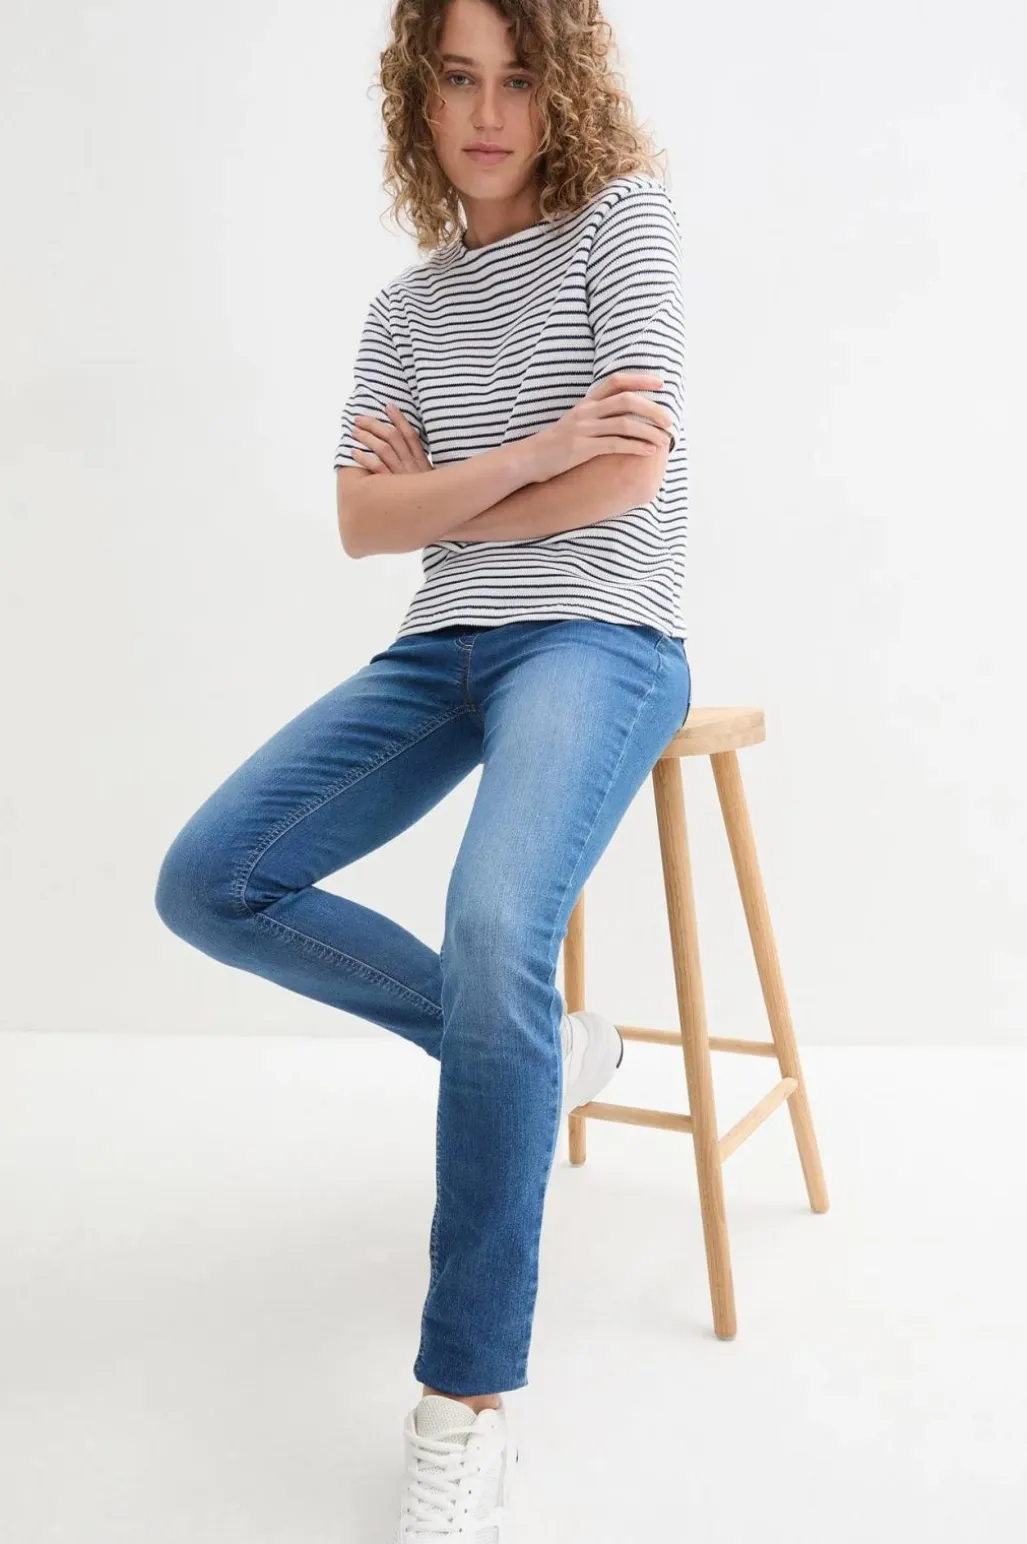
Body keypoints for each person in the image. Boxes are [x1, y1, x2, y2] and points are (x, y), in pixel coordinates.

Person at [154, 0, 691, 1534]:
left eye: (518, 79)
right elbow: (357, 525)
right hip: (441, 648)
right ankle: (530, 1049)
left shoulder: (624, 224)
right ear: (419, 95)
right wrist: (531, 454)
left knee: (494, 924)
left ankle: (464, 1404)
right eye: (458, 78)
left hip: (598, 635)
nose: (489, 113)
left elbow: (630, 471)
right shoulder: (404, 311)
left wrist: (444, 492)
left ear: (561, 89)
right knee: (210, 880)